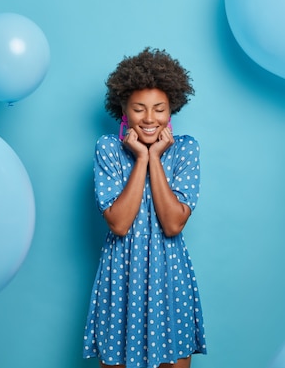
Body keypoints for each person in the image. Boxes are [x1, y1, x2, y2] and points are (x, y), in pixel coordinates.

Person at [83, 47, 207, 368]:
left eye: (159, 109)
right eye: (139, 109)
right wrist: (141, 158)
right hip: (121, 275)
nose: (150, 119)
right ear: (123, 109)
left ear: (171, 110)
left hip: (170, 275)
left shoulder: (185, 150)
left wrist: (155, 158)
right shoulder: (108, 149)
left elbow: (173, 224)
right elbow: (119, 223)